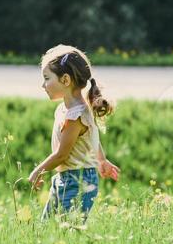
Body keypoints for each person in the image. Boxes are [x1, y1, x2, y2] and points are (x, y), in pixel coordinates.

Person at [26, 44, 120, 219]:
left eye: (47, 78)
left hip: (78, 181)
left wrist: (38, 171)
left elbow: (62, 155)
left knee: (67, 228)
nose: (43, 85)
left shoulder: (76, 116)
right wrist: (101, 159)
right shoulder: (67, 109)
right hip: (66, 178)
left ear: (66, 80)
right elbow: (92, 139)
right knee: (48, 226)